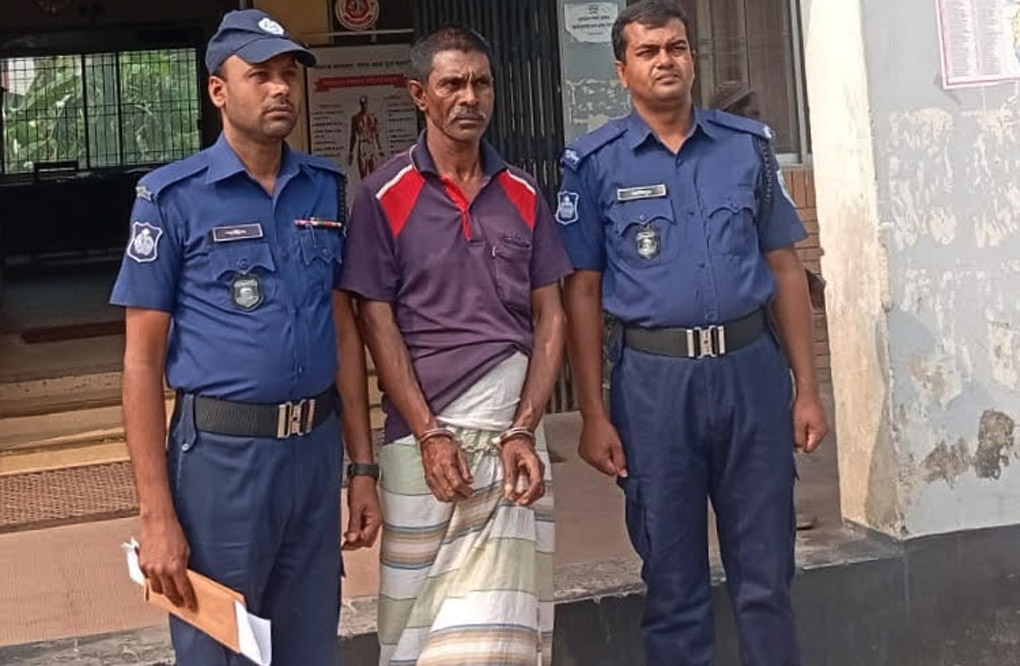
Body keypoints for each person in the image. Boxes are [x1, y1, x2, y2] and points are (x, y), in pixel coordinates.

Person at [557, 2, 829, 665]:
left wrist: (807, 389)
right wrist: (593, 412)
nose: (665, 61)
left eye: (676, 48)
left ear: (692, 57)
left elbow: (785, 269)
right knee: (673, 581)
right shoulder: (595, 163)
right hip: (655, 387)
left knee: (766, 576)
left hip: (750, 373)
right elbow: (582, 292)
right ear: (622, 70)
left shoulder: (745, 147)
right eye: (648, 51)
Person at [110, 9, 381, 665]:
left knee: (308, 644)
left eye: (289, 73)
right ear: (218, 90)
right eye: (260, 75)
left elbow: (342, 331)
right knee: (219, 648)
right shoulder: (172, 198)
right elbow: (141, 363)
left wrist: (362, 467)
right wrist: (156, 514)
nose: (280, 87)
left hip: (313, 453)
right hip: (221, 463)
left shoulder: (322, 189)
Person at [340, 24, 572, 666]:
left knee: (502, 630)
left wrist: (524, 427)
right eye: (452, 84)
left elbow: (551, 314)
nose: (470, 97)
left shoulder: (523, 192)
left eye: (481, 83)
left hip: (513, 442)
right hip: (421, 447)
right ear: (419, 94)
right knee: (413, 623)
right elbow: (375, 322)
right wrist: (429, 434)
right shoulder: (381, 196)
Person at [708, 80, 827, 313]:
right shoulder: (710, 168)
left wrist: (805, 280)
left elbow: (772, 245)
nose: (760, 123)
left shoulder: (758, 160)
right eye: (753, 114)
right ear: (732, 116)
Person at [348, 94, 385, 178]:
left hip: (371, 144)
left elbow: (376, 134)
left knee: (374, 174)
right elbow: (353, 135)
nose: (364, 106)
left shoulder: (373, 117)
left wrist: (380, 148)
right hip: (362, 145)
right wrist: (351, 152)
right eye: (362, 104)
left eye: (365, 104)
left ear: (367, 104)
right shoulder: (356, 118)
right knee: (363, 174)